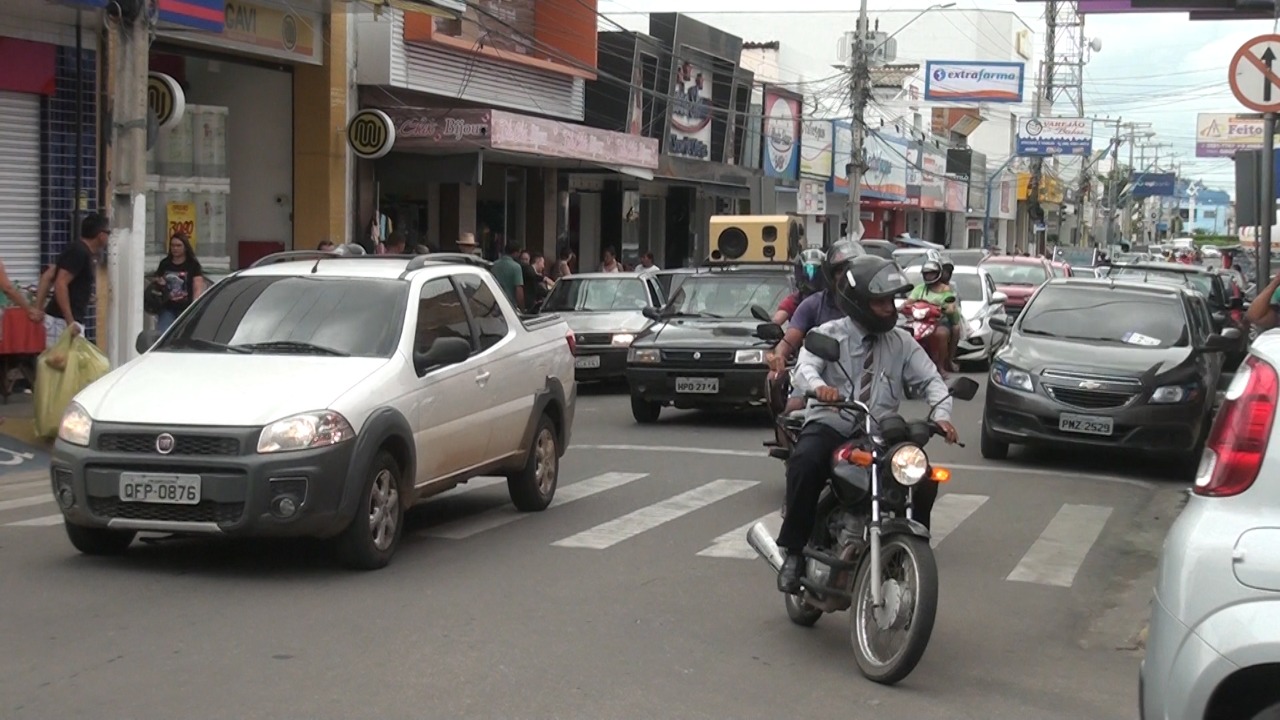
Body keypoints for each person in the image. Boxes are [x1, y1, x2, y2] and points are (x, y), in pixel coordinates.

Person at [776, 255, 958, 594]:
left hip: (879, 431)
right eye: (881, 302)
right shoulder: (827, 334)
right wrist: (819, 388)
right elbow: (804, 369)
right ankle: (795, 551)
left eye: (891, 300)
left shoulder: (901, 342)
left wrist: (941, 415)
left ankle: (909, 552)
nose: (890, 308)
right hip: (833, 421)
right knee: (805, 462)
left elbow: (932, 381)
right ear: (858, 302)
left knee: (923, 478)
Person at [38, 212, 109, 348]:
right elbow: (60, 283)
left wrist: (85, 295)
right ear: (100, 235)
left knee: (73, 366)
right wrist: (70, 321)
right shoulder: (78, 252)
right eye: (108, 232)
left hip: (68, 321)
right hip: (62, 322)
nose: (108, 237)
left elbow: (49, 276)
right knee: (61, 365)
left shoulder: (81, 251)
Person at [905, 257, 962, 376]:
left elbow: (950, 304)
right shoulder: (920, 288)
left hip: (938, 321)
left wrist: (946, 308)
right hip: (920, 321)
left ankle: (941, 366)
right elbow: (909, 302)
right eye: (926, 274)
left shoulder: (945, 289)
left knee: (941, 334)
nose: (929, 277)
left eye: (932, 274)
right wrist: (901, 308)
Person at [152, 232, 206, 333]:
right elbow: (157, 280)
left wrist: (194, 306)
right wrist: (160, 282)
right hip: (167, 307)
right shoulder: (165, 263)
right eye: (172, 245)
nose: (175, 248)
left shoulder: (192, 265)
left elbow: (197, 286)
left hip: (185, 309)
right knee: (164, 335)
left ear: (185, 247)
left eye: (178, 245)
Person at [491, 241, 525, 309]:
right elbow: (519, 290)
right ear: (515, 253)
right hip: (510, 305)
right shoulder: (516, 267)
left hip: (495, 304)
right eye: (519, 253)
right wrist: (522, 308)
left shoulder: (493, 265)